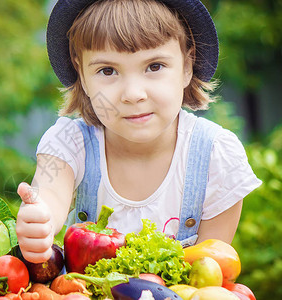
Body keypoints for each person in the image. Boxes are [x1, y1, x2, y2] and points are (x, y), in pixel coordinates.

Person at [15, 0, 262, 264]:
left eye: (154, 66)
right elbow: (51, 193)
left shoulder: (215, 156)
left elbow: (211, 271)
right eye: (107, 71)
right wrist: (40, 220)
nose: (133, 94)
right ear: (82, 76)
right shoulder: (71, 143)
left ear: (187, 66)